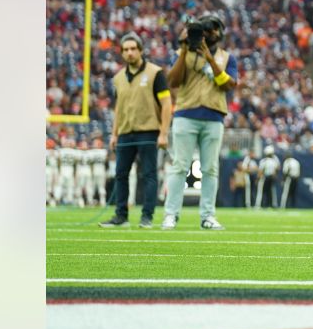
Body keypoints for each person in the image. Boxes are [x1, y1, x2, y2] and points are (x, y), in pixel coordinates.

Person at [162, 14, 237, 231]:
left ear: (220, 33)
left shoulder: (226, 57)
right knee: (179, 166)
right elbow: (173, 81)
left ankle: (207, 216)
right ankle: (170, 214)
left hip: (214, 116)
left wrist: (209, 59)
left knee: (210, 169)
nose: (209, 33)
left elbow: (228, 85)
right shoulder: (183, 53)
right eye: (205, 29)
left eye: (213, 29)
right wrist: (185, 49)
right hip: (186, 114)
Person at [100, 32, 172, 228]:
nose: (129, 53)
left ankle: (146, 217)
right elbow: (119, 108)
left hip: (148, 130)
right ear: (122, 53)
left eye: (133, 49)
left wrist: (164, 132)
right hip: (124, 132)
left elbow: (166, 104)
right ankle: (120, 216)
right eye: (125, 50)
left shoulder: (155, 73)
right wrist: (114, 134)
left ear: (140, 50)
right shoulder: (118, 78)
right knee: (121, 174)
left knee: (149, 174)